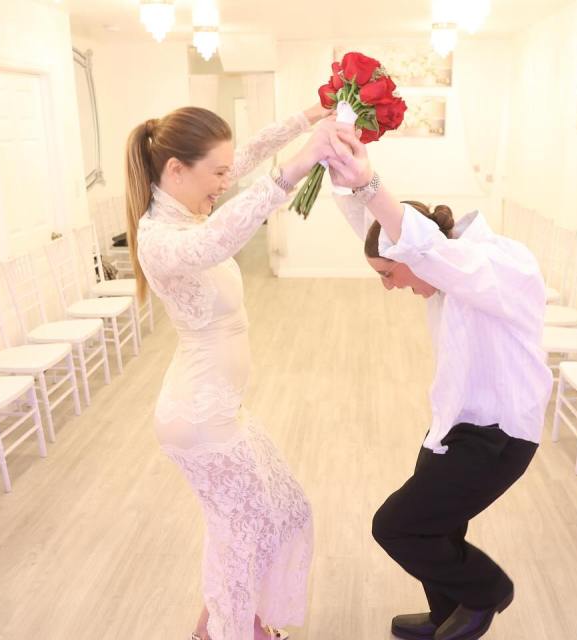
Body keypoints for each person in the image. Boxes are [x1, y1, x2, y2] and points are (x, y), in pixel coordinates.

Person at [326, 123, 553, 640]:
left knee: (397, 525)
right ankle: (445, 613)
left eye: (390, 273)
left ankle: (486, 591)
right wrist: (339, 165)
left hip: (500, 436)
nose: (391, 286)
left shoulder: (494, 266)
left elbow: (417, 246)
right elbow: (385, 231)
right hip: (456, 422)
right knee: (439, 521)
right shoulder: (444, 263)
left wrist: (369, 183)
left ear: (413, 254)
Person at [124, 103, 333, 640]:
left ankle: (218, 627)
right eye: (217, 173)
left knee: (276, 512)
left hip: (220, 406)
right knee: (246, 529)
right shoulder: (159, 237)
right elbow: (217, 240)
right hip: (197, 416)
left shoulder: (186, 199)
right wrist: (297, 166)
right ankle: (236, 632)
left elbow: (245, 154)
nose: (226, 179)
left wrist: (313, 112)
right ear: (176, 170)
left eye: (225, 171)